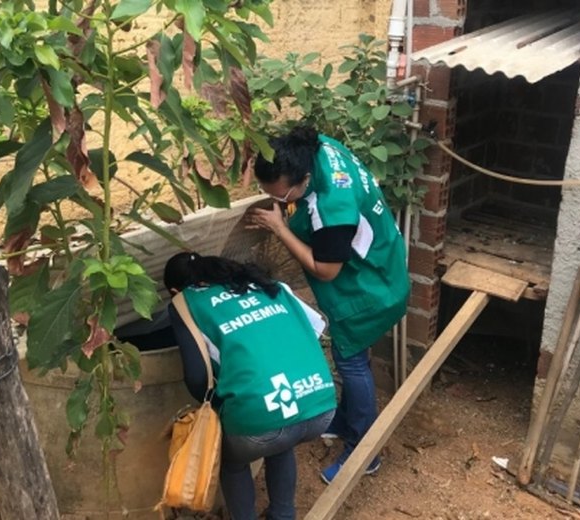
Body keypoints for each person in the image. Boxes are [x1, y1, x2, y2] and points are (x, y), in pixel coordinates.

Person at [248, 126, 410, 484]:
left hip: (369, 288)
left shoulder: (333, 209)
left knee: (350, 362)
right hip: (382, 261)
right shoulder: (315, 146)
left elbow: (325, 269)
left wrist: (280, 229)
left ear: (303, 179)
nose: (276, 200)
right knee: (355, 357)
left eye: (281, 195)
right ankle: (347, 419)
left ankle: (364, 450)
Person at [164, 252, 336, 520]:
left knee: (233, 460)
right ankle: (283, 514)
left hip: (261, 423)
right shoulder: (269, 285)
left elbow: (197, 378)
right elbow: (316, 328)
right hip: (320, 405)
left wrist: (220, 409)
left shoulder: (184, 303)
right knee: (281, 438)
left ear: (175, 290)